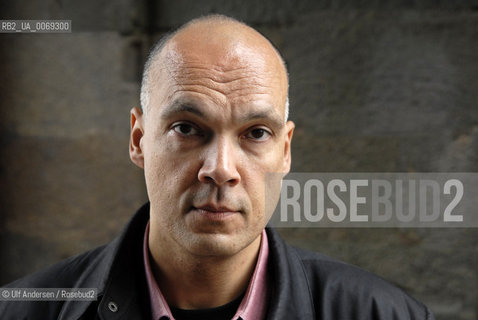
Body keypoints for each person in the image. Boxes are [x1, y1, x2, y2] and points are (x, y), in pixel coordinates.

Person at [0, 14, 434, 320]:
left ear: (285, 151)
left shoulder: (384, 314)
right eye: (188, 128)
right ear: (138, 140)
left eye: (256, 133)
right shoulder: (23, 311)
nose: (221, 168)